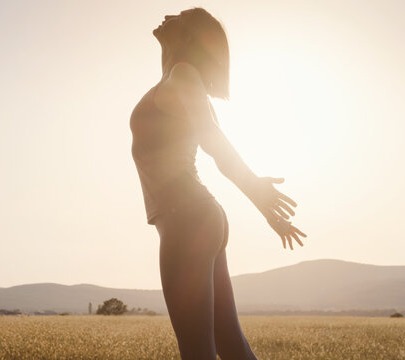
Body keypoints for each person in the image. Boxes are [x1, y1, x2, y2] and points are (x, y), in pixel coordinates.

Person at [130, 7, 307, 360]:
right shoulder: (178, 79)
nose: (168, 16)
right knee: (230, 343)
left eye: (179, 16)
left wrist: (257, 191)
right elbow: (215, 140)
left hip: (185, 218)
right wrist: (261, 203)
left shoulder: (182, 76)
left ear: (190, 36)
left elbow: (214, 141)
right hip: (198, 217)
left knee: (199, 352)